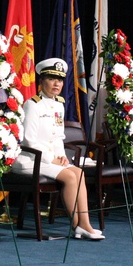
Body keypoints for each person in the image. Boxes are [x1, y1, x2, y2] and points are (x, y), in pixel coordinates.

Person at [14, 58, 105, 240]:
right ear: (42, 81)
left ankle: (84, 224)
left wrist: (62, 157)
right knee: (71, 177)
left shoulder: (59, 105)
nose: (57, 84)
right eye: (52, 79)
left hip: (50, 160)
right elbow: (29, 140)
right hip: (31, 159)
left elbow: (58, 137)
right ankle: (78, 225)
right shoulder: (32, 104)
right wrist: (51, 158)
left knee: (78, 172)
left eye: (60, 80)